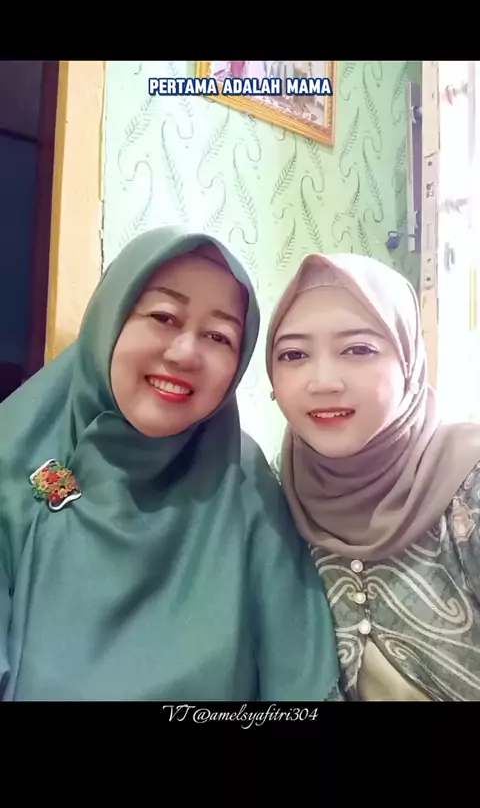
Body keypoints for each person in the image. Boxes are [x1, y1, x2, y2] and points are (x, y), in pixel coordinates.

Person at [0, 226, 339, 702]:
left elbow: (300, 673)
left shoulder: (245, 482)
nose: (184, 354)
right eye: (163, 316)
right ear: (110, 319)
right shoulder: (13, 451)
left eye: (219, 336)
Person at [266, 251, 480, 702]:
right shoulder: (272, 493)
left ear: (408, 360)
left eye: (359, 349)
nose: (323, 382)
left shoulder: (469, 485)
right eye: (294, 354)